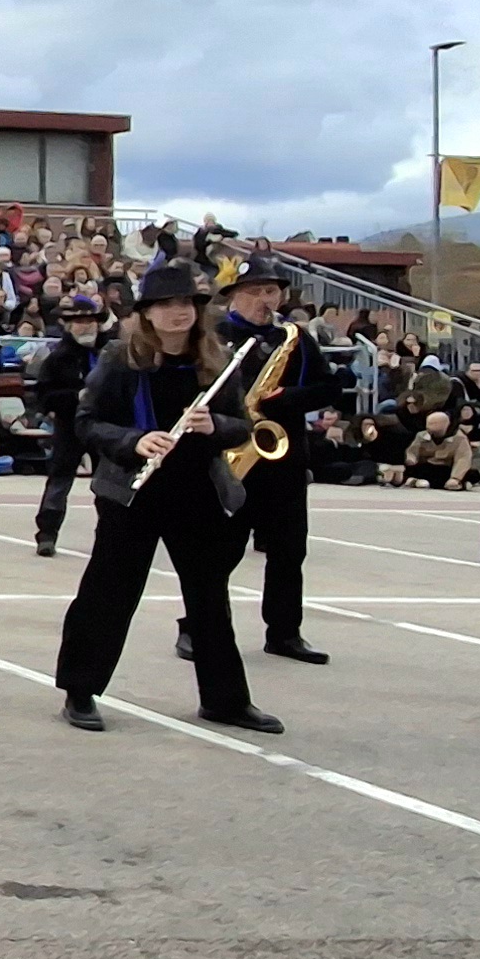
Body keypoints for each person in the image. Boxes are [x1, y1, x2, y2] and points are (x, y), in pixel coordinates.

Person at [50, 263, 283, 737]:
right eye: (167, 305)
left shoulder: (215, 362)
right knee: (109, 592)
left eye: (187, 305)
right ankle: (80, 689)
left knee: (208, 598)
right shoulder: (120, 359)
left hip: (195, 489)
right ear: (148, 314)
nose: (179, 313)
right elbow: (87, 422)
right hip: (131, 493)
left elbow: (240, 424)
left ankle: (225, 700)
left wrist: (215, 427)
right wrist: (134, 441)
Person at [178, 261, 344, 669]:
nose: (263, 300)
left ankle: (284, 632)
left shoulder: (294, 337)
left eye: (271, 292)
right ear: (234, 295)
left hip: (283, 456)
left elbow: (328, 386)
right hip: (229, 456)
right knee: (220, 551)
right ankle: (197, 627)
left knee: (290, 549)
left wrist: (290, 398)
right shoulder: (214, 336)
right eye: (254, 291)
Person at [27, 295, 105, 558]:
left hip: (105, 426)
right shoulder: (58, 358)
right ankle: (47, 535)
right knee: (60, 480)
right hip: (69, 426)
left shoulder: (109, 353)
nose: (86, 326)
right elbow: (43, 397)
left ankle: (111, 535)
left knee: (108, 482)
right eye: (79, 322)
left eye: (90, 321)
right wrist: (76, 397)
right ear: (69, 326)